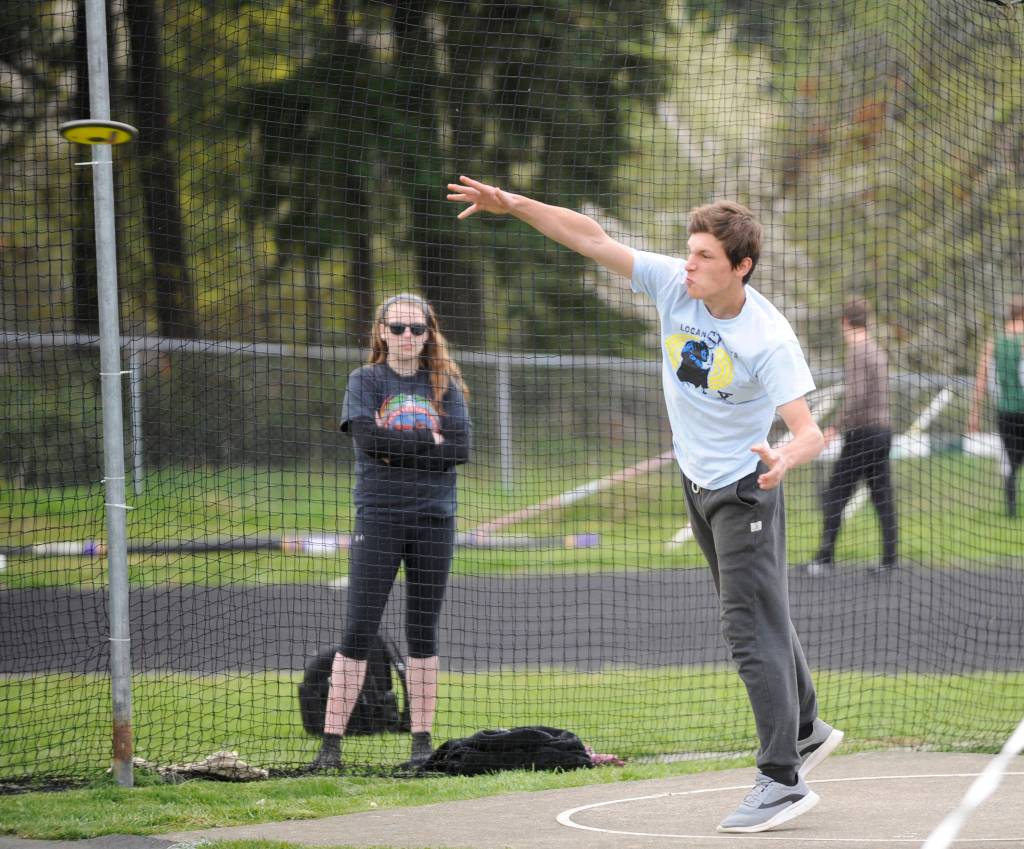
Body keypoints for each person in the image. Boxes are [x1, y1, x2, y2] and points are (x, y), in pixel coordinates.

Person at [446, 176, 842, 834]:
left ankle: (782, 779)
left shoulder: (767, 337)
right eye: (689, 251)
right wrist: (514, 204)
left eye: (705, 256)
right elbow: (590, 237)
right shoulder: (673, 285)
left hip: (746, 488)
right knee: (761, 614)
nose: (690, 263)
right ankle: (804, 727)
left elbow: (810, 432)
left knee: (747, 628)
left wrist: (784, 458)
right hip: (697, 480)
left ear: (741, 267)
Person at [309, 293, 472, 771]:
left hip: (434, 519)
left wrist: (397, 446)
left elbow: (460, 450)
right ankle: (330, 748)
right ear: (381, 332)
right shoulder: (365, 380)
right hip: (379, 517)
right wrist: (427, 440)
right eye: (397, 328)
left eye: (416, 329)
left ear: (428, 333)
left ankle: (421, 743)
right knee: (358, 629)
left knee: (422, 631)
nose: (407, 337)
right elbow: (366, 439)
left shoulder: (445, 384)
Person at [800, 299, 898, 576]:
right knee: (882, 496)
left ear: (845, 321)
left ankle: (824, 559)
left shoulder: (857, 350)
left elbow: (857, 396)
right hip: (882, 432)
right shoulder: (876, 349)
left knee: (835, 493)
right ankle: (889, 560)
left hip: (863, 434)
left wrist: (835, 427)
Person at [968, 296, 1024, 518]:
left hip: (1005, 412)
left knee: (1010, 462)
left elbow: (980, 381)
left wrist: (974, 413)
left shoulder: (994, 343)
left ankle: (1011, 509)